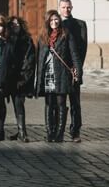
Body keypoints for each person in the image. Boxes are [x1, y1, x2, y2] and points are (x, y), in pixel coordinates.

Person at [37, 10, 80, 143]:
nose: (54, 22)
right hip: (47, 73)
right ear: (47, 22)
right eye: (51, 20)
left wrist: (78, 71)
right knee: (49, 103)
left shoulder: (66, 34)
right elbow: (39, 57)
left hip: (61, 73)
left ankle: (60, 133)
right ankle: (50, 132)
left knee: (61, 103)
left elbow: (74, 54)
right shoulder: (43, 36)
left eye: (56, 20)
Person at [57, 0, 88, 142]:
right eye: (63, 7)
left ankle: (75, 131)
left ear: (72, 8)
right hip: (60, 68)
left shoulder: (80, 24)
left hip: (74, 67)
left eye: (68, 7)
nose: (66, 10)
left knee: (75, 101)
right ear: (59, 8)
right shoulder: (55, 24)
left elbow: (83, 48)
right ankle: (58, 130)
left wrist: (78, 68)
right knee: (59, 101)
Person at [6, 16, 37, 142]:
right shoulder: (8, 39)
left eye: (17, 24)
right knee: (15, 103)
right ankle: (19, 130)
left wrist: (24, 78)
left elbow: (30, 60)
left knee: (19, 103)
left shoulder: (27, 40)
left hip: (22, 77)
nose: (15, 26)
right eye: (13, 25)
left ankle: (23, 132)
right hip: (10, 77)